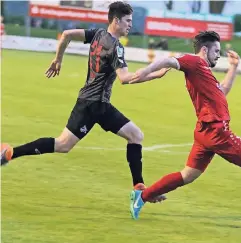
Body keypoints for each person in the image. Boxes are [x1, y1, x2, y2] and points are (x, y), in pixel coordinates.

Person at [1, 1, 168, 202]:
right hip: (97, 105)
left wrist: (58, 59)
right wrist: (153, 74)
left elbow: (67, 35)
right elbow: (124, 78)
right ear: (116, 20)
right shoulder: (116, 47)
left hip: (89, 102)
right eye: (127, 21)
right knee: (135, 136)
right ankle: (139, 190)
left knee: (65, 144)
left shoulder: (97, 34)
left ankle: (10, 152)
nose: (130, 25)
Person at [128, 31, 241, 227]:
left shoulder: (204, 73)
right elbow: (169, 60)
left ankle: (142, 196)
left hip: (205, 131)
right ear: (205, 49)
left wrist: (233, 67)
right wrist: (146, 71)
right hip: (216, 131)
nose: (218, 55)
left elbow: (222, 90)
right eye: (216, 51)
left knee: (188, 175)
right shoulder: (195, 62)